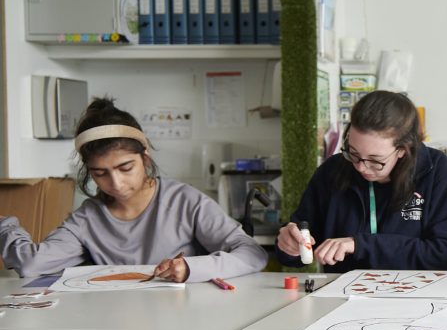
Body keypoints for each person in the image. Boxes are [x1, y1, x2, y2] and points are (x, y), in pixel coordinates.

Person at [0, 98, 267, 282]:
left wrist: (191, 268)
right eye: (100, 173)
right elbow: (32, 264)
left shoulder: (185, 202)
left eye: (125, 168)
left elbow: (252, 254)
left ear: (145, 158)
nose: (115, 184)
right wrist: (6, 226)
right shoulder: (87, 218)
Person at [276, 90, 447, 272]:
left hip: (419, 296)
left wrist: (360, 245)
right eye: (353, 153)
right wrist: (290, 246)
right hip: (344, 296)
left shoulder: (436, 172)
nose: (361, 167)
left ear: (403, 149)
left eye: (376, 161)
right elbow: (300, 244)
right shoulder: (332, 172)